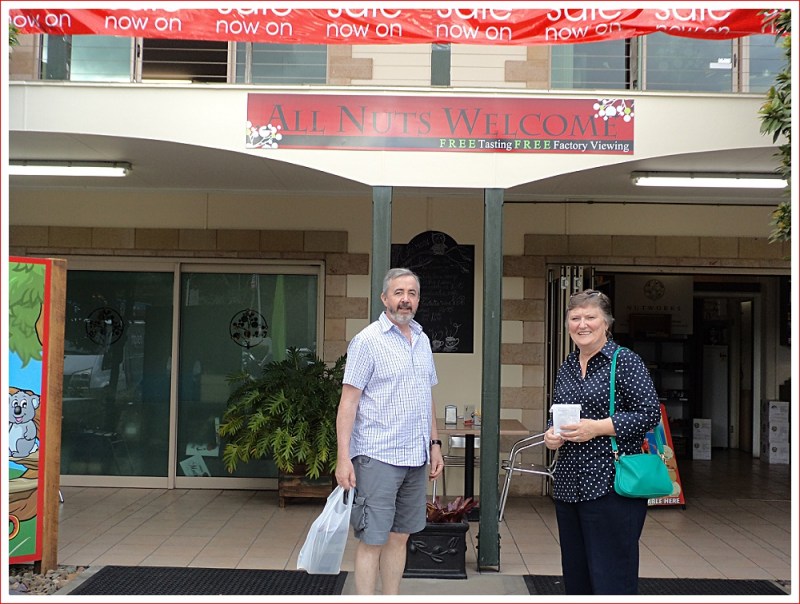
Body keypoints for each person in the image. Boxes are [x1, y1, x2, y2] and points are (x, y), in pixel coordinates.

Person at [544, 289, 661, 595]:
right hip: (569, 486)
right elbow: (558, 412)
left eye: (590, 317)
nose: (582, 324)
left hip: (612, 486)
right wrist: (551, 434)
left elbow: (649, 414)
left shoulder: (625, 362)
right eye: (575, 317)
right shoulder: (567, 366)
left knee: (611, 577)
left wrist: (597, 428)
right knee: (576, 576)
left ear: (606, 323)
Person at [335, 267, 444, 595]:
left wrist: (434, 444)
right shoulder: (367, 341)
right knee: (373, 539)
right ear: (384, 298)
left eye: (412, 294)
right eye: (399, 293)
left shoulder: (422, 340)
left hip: (415, 457)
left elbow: (427, 397)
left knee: (401, 537)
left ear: (418, 300)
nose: (405, 300)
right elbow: (348, 404)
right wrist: (343, 458)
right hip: (377, 456)